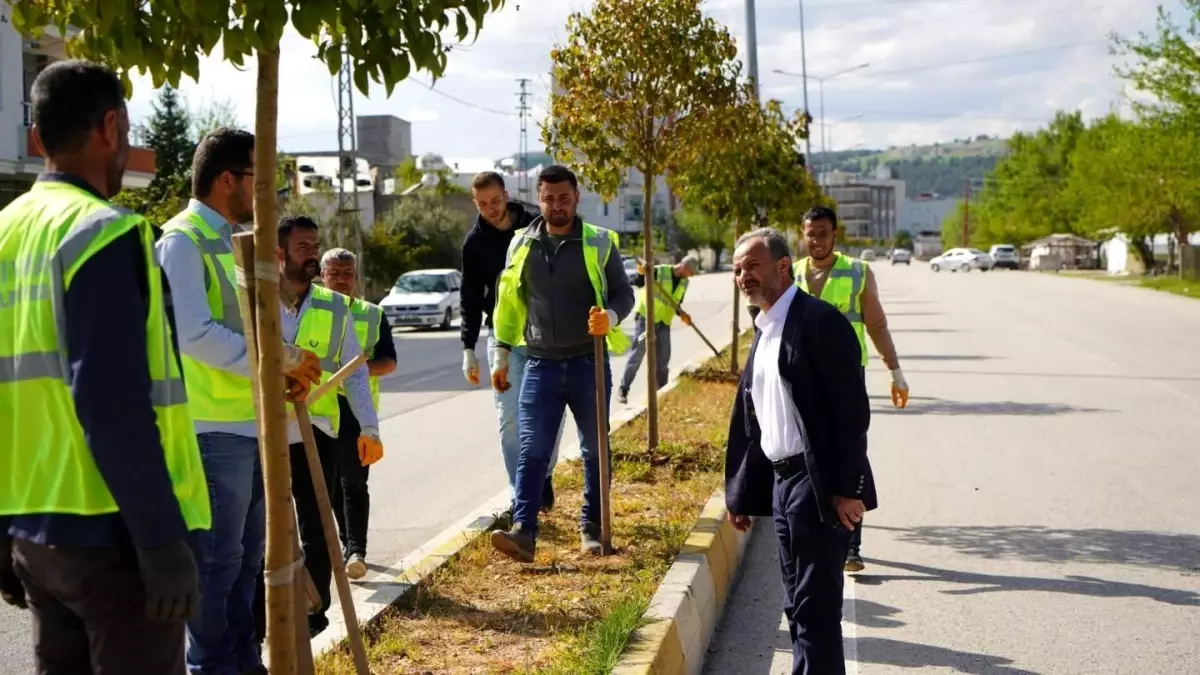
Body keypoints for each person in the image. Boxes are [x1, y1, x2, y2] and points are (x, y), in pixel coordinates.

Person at [0, 60, 212, 674]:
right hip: (116, 537)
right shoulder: (103, 233)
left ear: (37, 136)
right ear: (111, 127)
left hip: (36, 531)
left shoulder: (7, 233)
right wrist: (161, 540)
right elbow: (111, 403)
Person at [156, 128, 322, 674]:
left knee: (247, 561)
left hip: (253, 425)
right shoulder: (183, 241)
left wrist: (283, 364)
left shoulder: (236, 241)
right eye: (258, 178)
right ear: (228, 179)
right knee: (216, 564)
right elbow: (194, 333)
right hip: (212, 430)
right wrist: (278, 359)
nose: (264, 190)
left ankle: (243, 662)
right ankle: (210, 665)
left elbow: (253, 324)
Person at [724, 227, 875, 675]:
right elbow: (757, 418)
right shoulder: (765, 328)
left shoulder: (819, 322)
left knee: (815, 609)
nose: (744, 277)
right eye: (738, 270)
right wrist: (740, 492)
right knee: (796, 605)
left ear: (784, 265)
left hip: (818, 482)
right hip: (783, 484)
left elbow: (851, 412)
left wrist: (847, 489)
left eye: (753, 266)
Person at [488, 164, 635, 562]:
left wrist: (611, 318)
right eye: (549, 198)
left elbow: (624, 294)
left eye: (564, 198)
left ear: (576, 198)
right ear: (539, 200)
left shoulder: (599, 242)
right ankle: (524, 531)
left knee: (594, 449)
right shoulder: (521, 244)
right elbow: (508, 303)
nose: (557, 206)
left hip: (589, 363)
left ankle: (592, 527)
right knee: (532, 449)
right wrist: (501, 354)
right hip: (540, 365)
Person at [276, 215, 382, 636]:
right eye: (303, 247)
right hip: (263, 429)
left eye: (314, 246)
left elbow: (355, 373)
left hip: (316, 429)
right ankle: (262, 621)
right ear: (280, 252)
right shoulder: (257, 300)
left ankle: (314, 614)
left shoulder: (336, 307)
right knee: (261, 529)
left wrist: (370, 428)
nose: (312, 254)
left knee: (317, 525)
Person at [793, 206, 907, 572]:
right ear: (803, 235)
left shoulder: (858, 272)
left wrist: (895, 370)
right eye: (811, 234)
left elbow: (877, 324)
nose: (817, 240)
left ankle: (851, 546)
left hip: (847, 377)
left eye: (823, 233)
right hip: (804, 376)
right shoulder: (791, 273)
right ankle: (816, 532)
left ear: (835, 235)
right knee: (807, 453)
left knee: (850, 453)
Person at [460, 171, 561, 518]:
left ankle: (542, 475)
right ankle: (521, 493)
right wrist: (468, 348)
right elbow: (470, 298)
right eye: (482, 204)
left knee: (547, 412)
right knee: (510, 419)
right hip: (502, 337)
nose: (490, 209)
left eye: (495, 200)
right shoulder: (474, 243)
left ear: (506, 194)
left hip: (543, 334)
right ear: (475, 203)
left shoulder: (536, 226)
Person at [320, 248, 397, 580]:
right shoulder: (312, 310)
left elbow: (389, 362)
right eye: (334, 273)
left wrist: (356, 371)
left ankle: (356, 550)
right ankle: (343, 542)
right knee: (329, 484)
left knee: (353, 481)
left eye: (347, 274)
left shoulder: (372, 314)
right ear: (322, 276)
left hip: (356, 409)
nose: (341, 280)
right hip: (320, 407)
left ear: (356, 277)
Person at [617, 254, 700, 405]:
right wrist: (641, 273)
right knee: (637, 354)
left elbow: (676, 303)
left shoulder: (684, 283)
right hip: (646, 318)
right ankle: (624, 389)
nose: (691, 276)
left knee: (663, 359)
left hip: (664, 322)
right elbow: (638, 283)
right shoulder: (658, 271)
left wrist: (683, 314)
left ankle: (661, 393)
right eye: (690, 272)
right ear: (684, 266)